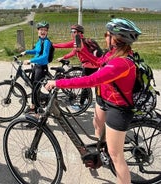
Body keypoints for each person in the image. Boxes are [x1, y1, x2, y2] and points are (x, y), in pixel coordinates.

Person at [45, 18, 141, 184]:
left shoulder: (121, 63)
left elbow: (91, 80)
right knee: (97, 125)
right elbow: (98, 62)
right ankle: (102, 153)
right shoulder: (113, 53)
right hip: (104, 98)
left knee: (117, 156)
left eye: (107, 35)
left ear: (116, 39)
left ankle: (115, 164)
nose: (105, 37)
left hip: (118, 107)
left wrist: (58, 83)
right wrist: (83, 51)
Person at [53, 24, 102, 108]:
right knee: (88, 84)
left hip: (89, 65)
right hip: (91, 65)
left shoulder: (79, 41)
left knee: (84, 84)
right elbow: (73, 52)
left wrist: (52, 45)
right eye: (71, 32)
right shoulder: (79, 42)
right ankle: (87, 100)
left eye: (74, 32)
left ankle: (82, 104)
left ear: (79, 33)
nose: (72, 34)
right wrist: (63, 57)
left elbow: (64, 45)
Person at [21, 21, 51, 114]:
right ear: (38, 31)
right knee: (33, 87)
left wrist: (31, 60)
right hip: (37, 66)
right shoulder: (40, 41)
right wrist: (26, 52)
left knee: (36, 90)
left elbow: (44, 56)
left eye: (45, 30)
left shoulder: (46, 42)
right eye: (41, 30)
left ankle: (38, 114)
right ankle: (33, 107)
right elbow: (36, 51)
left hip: (41, 67)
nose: (43, 32)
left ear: (47, 32)